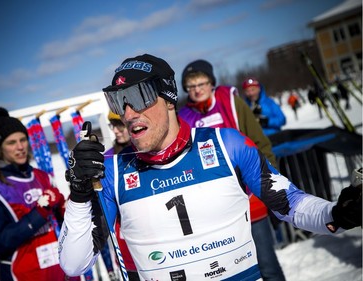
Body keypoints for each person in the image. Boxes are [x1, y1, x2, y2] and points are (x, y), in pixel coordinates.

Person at [58, 54, 362, 281]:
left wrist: (336, 213)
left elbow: (290, 203)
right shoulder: (113, 173)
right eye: (118, 100)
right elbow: (74, 263)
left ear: (168, 99)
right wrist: (80, 194)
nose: (128, 112)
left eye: (138, 97)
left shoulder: (228, 144)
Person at [178, 59, 285, 280]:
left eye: (202, 83)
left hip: (250, 196)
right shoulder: (184, 118)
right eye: (191, 86)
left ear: (212, 83)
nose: (197, 90)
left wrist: (271, 184)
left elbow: (260, 143)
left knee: (266, 264)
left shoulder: (230, 101)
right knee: (232, 272)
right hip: (216, 210)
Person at [0, 107, 67, 281]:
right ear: (1, 148)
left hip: (58, 271)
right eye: (11, 142)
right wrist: (39, 213)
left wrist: (67, 208)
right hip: (21, 274)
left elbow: (62, 223)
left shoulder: (42, 176)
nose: (20, 147)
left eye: (23, 140)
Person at [106, 111, 140, 281]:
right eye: (113, 126)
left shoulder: (147, 150)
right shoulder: (107, 158)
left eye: (119, 125)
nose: (116, 131)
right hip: (125, 238)